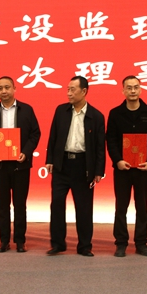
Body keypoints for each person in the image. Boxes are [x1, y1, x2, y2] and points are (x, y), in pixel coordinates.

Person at [45, 76, 105, 257]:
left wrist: (98, 171)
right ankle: (57, 244)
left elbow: (100, 147)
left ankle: (85, 246)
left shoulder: (96, 116)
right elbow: (53, 137)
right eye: (68, 89)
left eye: (73, 89)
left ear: (84, 91)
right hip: (62, 165)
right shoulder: (61, 111)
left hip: (83, 166)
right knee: (57, 204)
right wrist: (50, 160)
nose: (69, 93)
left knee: (84, 208)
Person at [0, 76, 41, 253]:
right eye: (0, 88)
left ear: (15, 89)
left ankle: (20, 240)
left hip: (20, 164)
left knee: (20, 204)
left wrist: (26, 152)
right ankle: (4, 240)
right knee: (2, 204)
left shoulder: (26, 110)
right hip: (0, 165)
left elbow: (35, 134)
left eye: (7, 87)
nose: (4, 91)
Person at [106, 76, 147, 257]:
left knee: (142, 207)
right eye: (129, 87)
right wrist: (118, 160)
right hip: (122, 169)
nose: (132, 91)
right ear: (123, 90)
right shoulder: (115, 113)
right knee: (121, 207)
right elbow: (111, 140)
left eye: (136, 87)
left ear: (140, 90)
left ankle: (141, 243)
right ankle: (121, 243)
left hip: (143, 169)